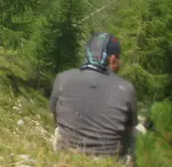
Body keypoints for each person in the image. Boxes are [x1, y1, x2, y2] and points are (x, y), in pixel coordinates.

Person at [49, 33, 138, 164]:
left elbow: (55, 118)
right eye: (119, 59)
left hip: (66, 155)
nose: (120, 63)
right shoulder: (126, 89)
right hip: (108, 161)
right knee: (137, 132)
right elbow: (130, 128)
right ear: (112, 59)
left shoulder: (62, 78)